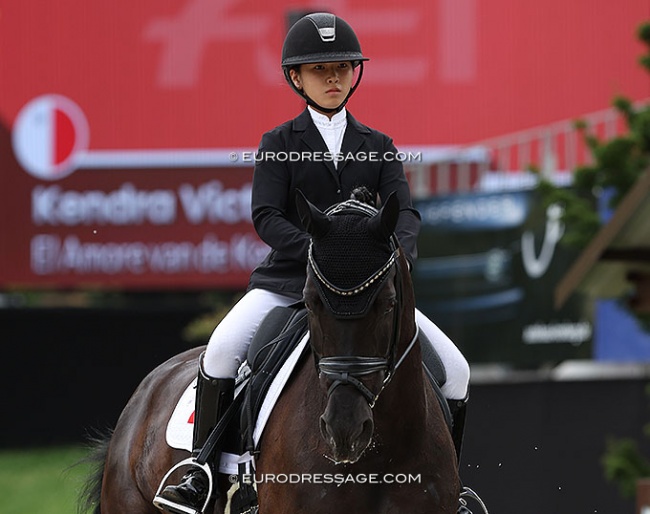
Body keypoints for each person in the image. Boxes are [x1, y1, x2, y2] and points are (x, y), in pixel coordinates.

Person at [154, 12, 473, 514]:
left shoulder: (379, 147)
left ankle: (450, 488)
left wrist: (396, 256)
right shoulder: (278, 145)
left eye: (342, 68)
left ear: (355, 74)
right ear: (296, 78)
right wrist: (321, 253)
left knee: (455, 369)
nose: (332, 78)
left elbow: (405, 214)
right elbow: (266, 216)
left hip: (368, 290)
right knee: (220, 353)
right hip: (290, 284)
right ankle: (202, 470)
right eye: (319, 69)